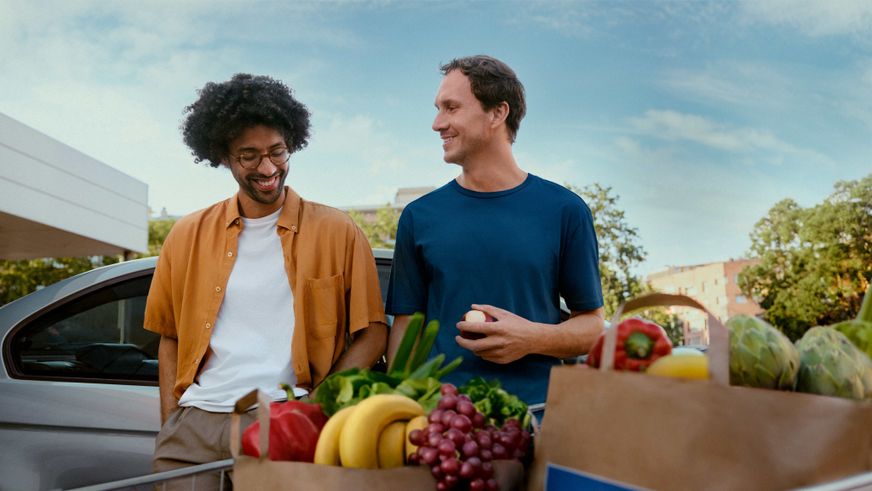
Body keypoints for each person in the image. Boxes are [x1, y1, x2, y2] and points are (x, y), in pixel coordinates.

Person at [144, 73, 387, 483]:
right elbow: (169, 337)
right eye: (249, 155)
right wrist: (172, 421)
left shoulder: (337, 230)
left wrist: (314, 409)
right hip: (195, 425)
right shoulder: (186, 234)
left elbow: (373, 332)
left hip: (282, 420)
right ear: (223, 156)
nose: (268, 167)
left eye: (278, 151)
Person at [385, 55, 604, 410]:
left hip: (538, 418)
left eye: (451, 108)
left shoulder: (566, 211)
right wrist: (399, 408)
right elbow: (406, 327)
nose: (437, 123)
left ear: (497, 113)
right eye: (438, 109)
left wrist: (532, 338)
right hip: (440, 420)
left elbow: (593, 327)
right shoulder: (417, 217)